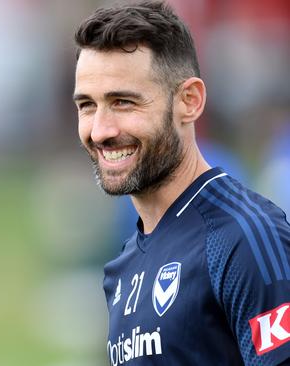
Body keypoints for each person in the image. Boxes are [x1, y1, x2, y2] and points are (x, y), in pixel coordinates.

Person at [73, 1, 290, 365]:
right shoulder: (123, 268)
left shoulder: (245, 238)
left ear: (189, 101)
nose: (101, 130)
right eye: (87, 106)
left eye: (123, 102)